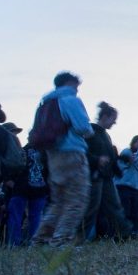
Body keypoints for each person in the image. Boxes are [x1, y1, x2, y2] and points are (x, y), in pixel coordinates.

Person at [32, 72, 95, 247]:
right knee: (77, 199)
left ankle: (41, 240)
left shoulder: (46, 102)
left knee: (58, 201)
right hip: (73, 152)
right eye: (76, 85)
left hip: (53, 154)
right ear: (69, 83)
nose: (77, 89)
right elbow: (83, 127)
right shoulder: (70, 100)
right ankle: (61, 241)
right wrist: (90, 133)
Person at [82, 102, 132, 240]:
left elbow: (109, 156)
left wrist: (122, 158)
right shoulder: (90, 132)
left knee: (114, 206)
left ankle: (124, 234)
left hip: (106, 177)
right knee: (91, 208)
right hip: (94, 176)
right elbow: (82, 152)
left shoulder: (105, 135)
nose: (114, 123)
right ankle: (79, 238)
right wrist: (96, 160)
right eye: (113, 119)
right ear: (105, 116)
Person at [4, 123, 48, 246]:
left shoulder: (21, 152)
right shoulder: (46, 153)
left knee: (16, 216)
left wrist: (11, 182)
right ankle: (34, 243)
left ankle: (13, 244)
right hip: (38, 189)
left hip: (21, 188)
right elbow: (49, 171)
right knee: (36, 217)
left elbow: (12, 169)